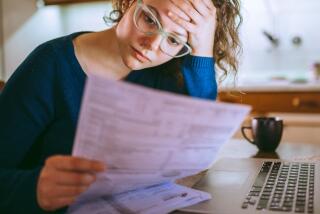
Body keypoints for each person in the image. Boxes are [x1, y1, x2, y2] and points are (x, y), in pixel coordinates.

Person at [0, 0, 241, 213]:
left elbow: (197, 144)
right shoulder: (48, 66)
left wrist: (203, 49)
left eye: (174, 39)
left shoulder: (165, 76)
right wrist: (35, 189)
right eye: (149, 19)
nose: (151, 46)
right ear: (128, 3)